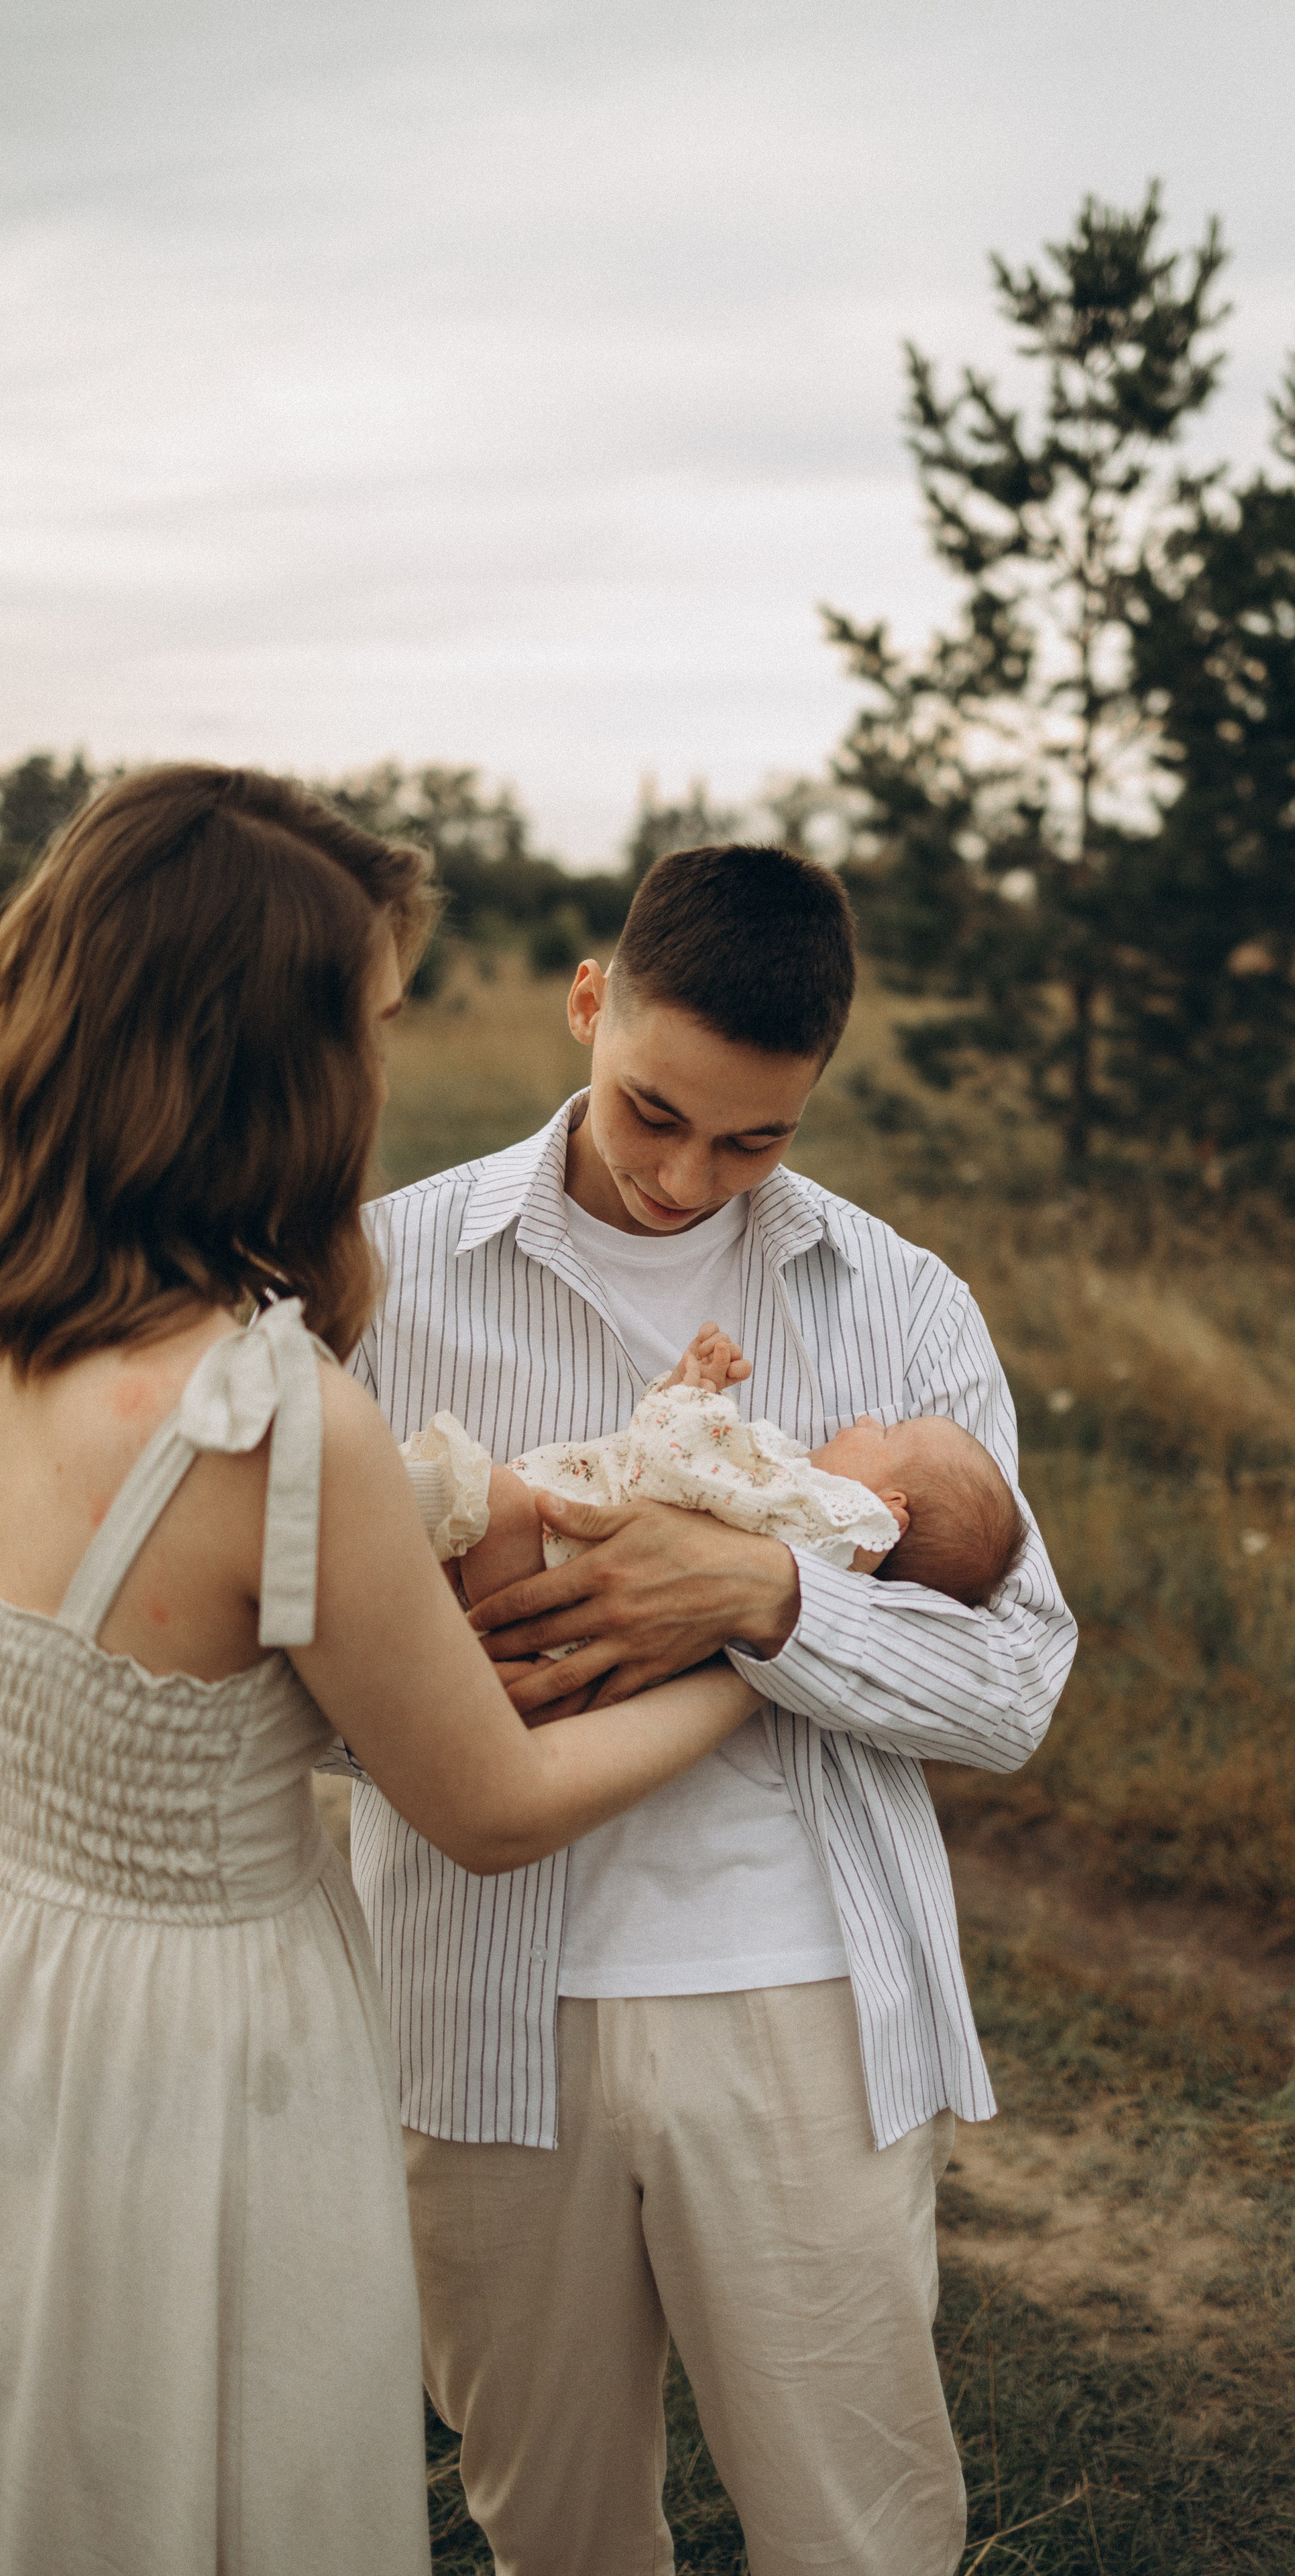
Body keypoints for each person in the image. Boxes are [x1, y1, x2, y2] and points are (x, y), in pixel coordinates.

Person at [0, 768, 758, 2576]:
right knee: (213, 2459)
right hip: (204, 2055)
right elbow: (488, 1809)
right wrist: (744, 1639)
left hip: (30, 1989)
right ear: (277, 1062)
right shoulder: (272, 1422)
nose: (386, 1065)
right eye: (373, 1021)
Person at [349, 841, 1078, 2576]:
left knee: (856, 2529)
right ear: (588, 1004)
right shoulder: (388, 1275)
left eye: (757, 1138)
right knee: (554, 2527)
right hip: (477, 2004)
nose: (689, 1177)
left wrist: (764, 1600)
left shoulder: (899, 1303)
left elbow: (1015, 1680)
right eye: (653, 1111)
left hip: (800, 1993)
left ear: (815, 1092)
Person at [405, 1316, 1029, 1609]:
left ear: (886, 1510)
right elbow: (678, 1473)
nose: (867, 1421)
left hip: (549, 1548)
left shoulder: (802, 1511)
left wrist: (692, 1400)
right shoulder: (798, 1521)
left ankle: (359, 1494)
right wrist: (681, 1392)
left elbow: (674, 1468)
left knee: (482, 1493)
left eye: (887, 1436)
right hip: (552, 1565)